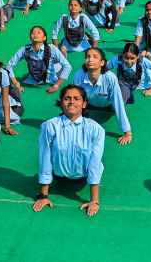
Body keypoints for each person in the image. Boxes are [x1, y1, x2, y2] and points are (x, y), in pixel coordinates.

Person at [33, 84, 105, 217]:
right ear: (61, 103)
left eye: (76, 98)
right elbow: (45, 158)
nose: (72, 101)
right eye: (67, 98)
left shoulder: (96, 129)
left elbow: (95, 163)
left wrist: (94, 201)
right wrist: (43, 195)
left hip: (82, 178)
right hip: (58, 177)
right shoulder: (49, 126)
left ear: (84, 104)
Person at [71, 47, 132, 145]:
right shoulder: (79, 75)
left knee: (121, 94)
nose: (90, 59)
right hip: (90, 104)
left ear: (102, 63)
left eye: (95, 57)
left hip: (108, 104)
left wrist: (127, 132)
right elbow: (73, 100)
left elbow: (118, 104)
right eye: (88, 57)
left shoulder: (110, 78)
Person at [6, 25, 72, 92]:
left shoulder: (52, 48)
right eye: (33, 33)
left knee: (60, 66)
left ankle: (63, 56)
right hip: (33, 79)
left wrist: (57, 85)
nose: (35, 34)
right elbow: (9, 66)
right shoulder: (24, 50)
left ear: (44, 38)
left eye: (38, 32)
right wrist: (16, 83)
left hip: (51, 77)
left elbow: (68, 66)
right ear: (30, 37)